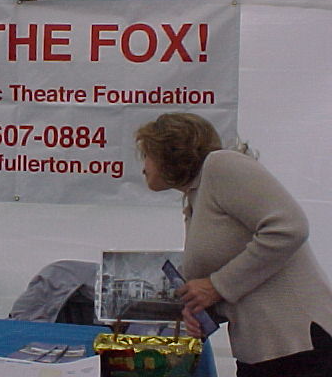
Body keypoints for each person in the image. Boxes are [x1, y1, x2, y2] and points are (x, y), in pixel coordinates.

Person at [135, 112, 332, 377]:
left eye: (147, 155)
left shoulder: (221, 166)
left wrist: (216, 286)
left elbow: (289, 228)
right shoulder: (197, 195)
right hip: (262, 351)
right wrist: (205, 312)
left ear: (169, 152)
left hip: (298, 345)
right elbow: (237, 277)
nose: (143, 166)